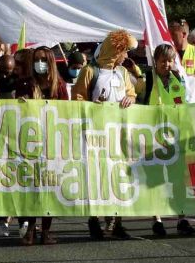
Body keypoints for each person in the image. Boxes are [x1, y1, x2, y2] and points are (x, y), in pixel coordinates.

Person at [73, 30, 138, 240]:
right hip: (94, 135)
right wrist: (93, 106)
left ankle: (117, 221)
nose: (126, 56)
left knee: (118, 176)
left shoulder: (123, 73)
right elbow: (77, 99)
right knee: (96, 177)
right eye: (124, 51)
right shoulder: (90, 72)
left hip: (118, 134)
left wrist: (130, 99)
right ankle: (94, 220)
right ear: (115, 50)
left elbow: (132, 94)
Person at [7, 46, 67, 245]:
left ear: (49, 61)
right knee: (31, 187)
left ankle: (46, 231)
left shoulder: (59, 85)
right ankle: (30, 228)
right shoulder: (25, 83)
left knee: (49, 186)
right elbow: (17, 110)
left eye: (42, 59)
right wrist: (23, 102)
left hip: (52, 142)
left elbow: (67, 113)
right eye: (35, 60)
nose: (38, 63)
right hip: (30, 142)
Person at [144, 44, 195, 236]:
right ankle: (156, 220)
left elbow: (184, 108)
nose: (167, 64)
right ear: (155, 62)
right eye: (163, 61)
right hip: (153, 137)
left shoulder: (179, 79)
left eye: (170, 60)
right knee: (156, 179)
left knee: (178, 179)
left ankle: (182, 218)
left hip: (176, 136)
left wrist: (189, 134)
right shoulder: (148, 78)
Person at [169, 19, 195, 97]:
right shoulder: (168, 51)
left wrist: (183, 75)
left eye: (173, 34)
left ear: (184, 34)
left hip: (192, 97)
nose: (170, 37)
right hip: (173, 96)